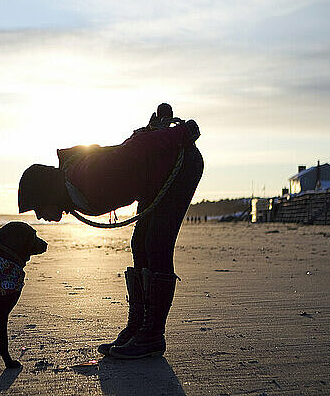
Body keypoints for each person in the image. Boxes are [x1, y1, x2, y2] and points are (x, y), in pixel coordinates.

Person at [18, 103, 204, 359]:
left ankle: (152, 336)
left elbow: (135, 149)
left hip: (180, 166)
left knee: (157, 244)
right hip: (152, 179)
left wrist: (181, 134)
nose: (39, 215)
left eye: (37, 207)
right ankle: (138, 328)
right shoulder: (73, 191)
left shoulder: (86, 176)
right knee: (140, 244)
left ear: (48, 192)